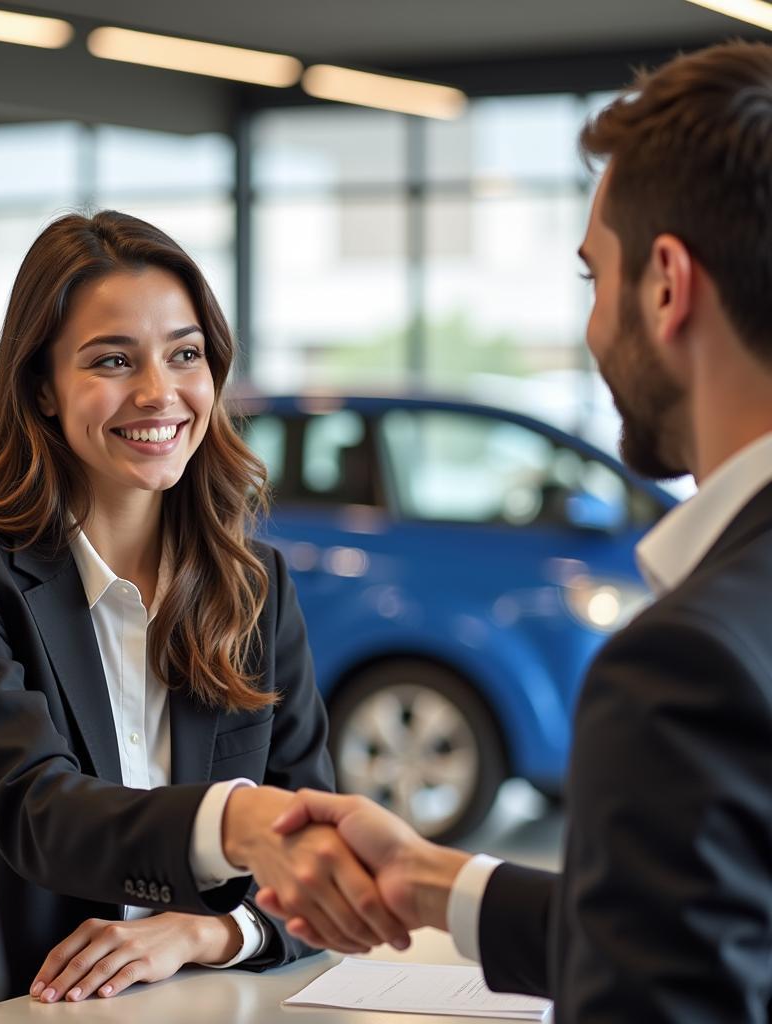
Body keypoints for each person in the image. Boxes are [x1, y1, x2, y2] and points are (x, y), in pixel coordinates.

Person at [257, 40, 772, 1022]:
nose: (590, 327)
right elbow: (716, 931)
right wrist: (431, 883)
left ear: (666, 285)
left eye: (592, 278)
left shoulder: (686, 667)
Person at [0, 211, 411, 1012]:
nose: (158, 392)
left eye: (184, 354)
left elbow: (313, 872)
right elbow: (34, 812)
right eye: (112, 359)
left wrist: (199, 932)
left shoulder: (254, 588)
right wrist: (232, 823)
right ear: (42, 386)